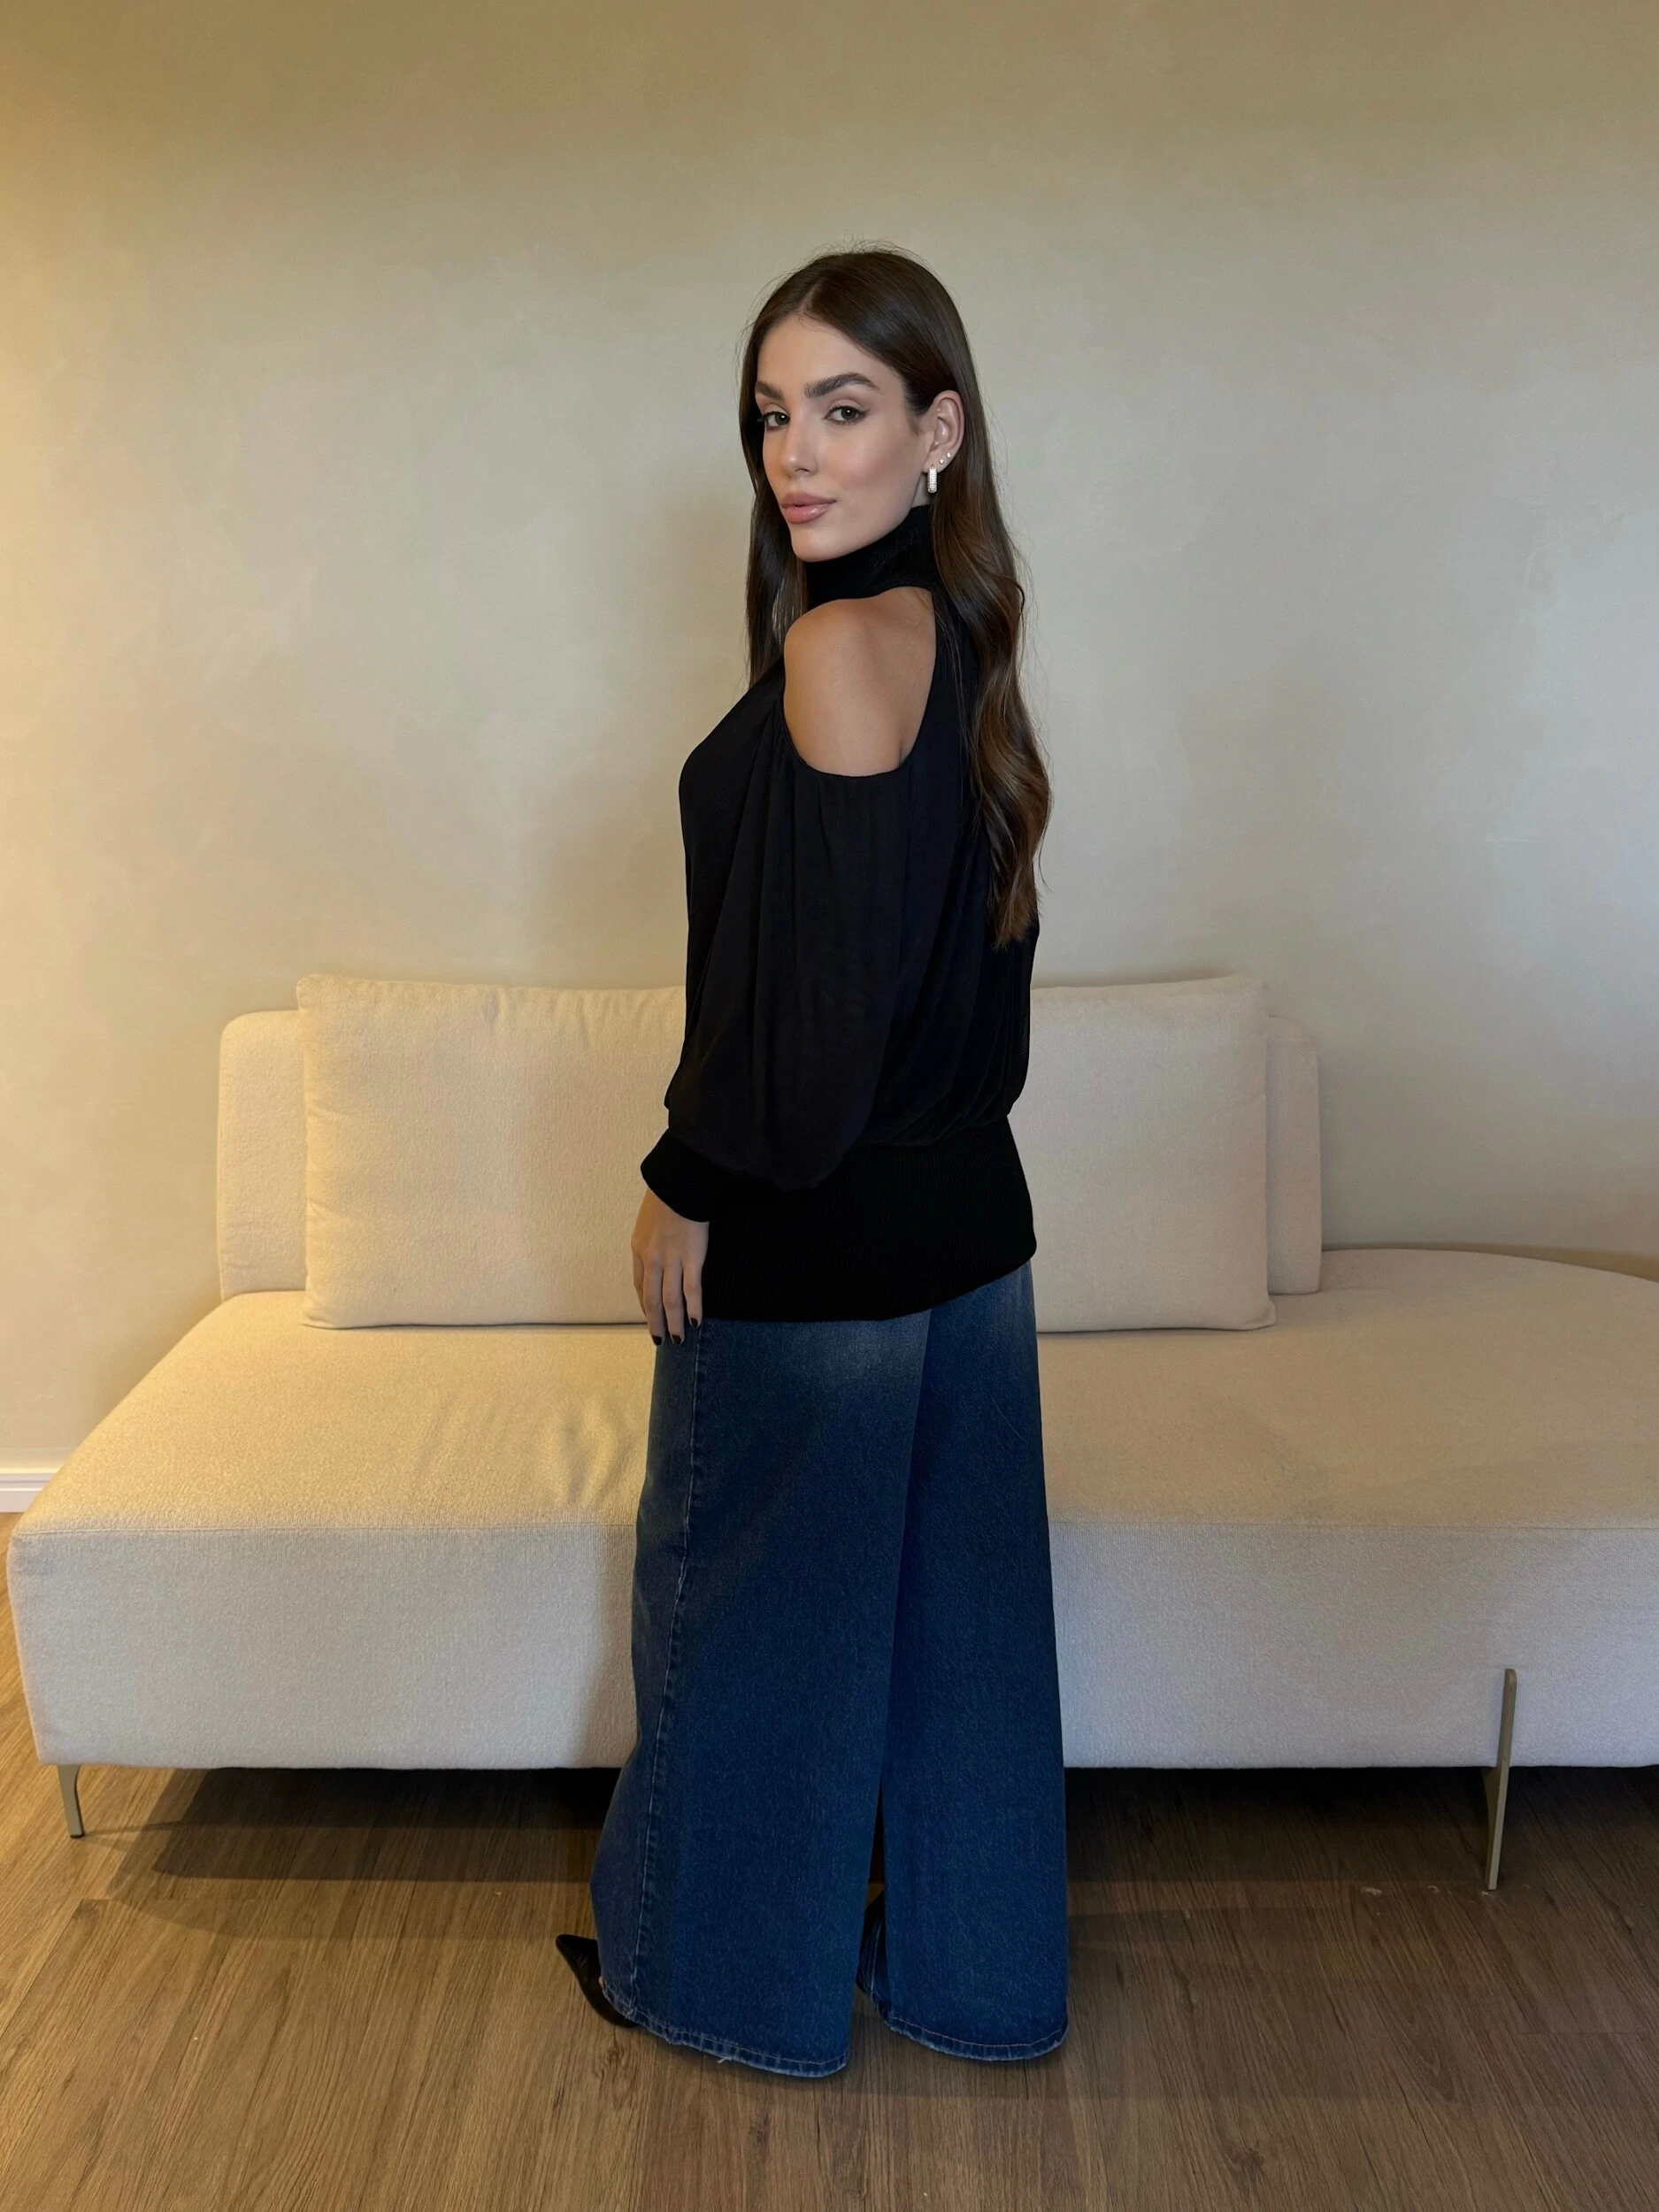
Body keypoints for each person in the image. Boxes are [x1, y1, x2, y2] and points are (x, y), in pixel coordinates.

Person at [555, 245, 1069, 2078]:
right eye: (771, 414)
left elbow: (821, 1010)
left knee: (747, 1623)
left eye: (842, 409)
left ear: (938, 431)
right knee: (961, 1643)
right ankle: (977, 1984)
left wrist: (685, 1173)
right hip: (967, 1236)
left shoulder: (841, 648)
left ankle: (709, 1982)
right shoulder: (960, 642)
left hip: (819, 1247)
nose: (794, 452)